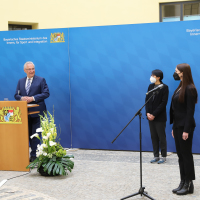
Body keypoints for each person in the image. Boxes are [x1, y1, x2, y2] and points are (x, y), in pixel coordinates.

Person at [14, 61, 50, 162]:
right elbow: (16, 95)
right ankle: (30, 153)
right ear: (24, 70)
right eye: (29, 69)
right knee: (28, 134)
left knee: (36, 134)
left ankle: (35, 155)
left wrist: (33, 98)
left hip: (37, 112)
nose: (31, 71)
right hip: (25, 113)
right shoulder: (21, 81)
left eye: (33, 69)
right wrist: (21, 98)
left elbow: (46, 93)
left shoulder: (41, 80)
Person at [170, 63, 197, 195]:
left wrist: (186, 130)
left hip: (185, 127)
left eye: (176, 71)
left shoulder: (190, 88)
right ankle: (183, 181)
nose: (174, 73)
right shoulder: (180, 87)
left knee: (186, 155)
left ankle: (189, 183)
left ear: (183, 72)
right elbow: (176, 110)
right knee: (180, 155)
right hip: (178, 126)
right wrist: (174, 127)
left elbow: (189, 111)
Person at [145, 69, 169, 164]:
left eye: (153, 75)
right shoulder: (150, 86)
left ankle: (163, 156)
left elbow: (163, 103)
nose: (151, 77)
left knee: (161, 136)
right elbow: (147, 100)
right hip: (150, 116)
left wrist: (154, 114)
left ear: (158, 77)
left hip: (159, 117)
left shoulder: (164, 87)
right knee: (153, 136)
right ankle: (156, 155)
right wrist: (148, 113)